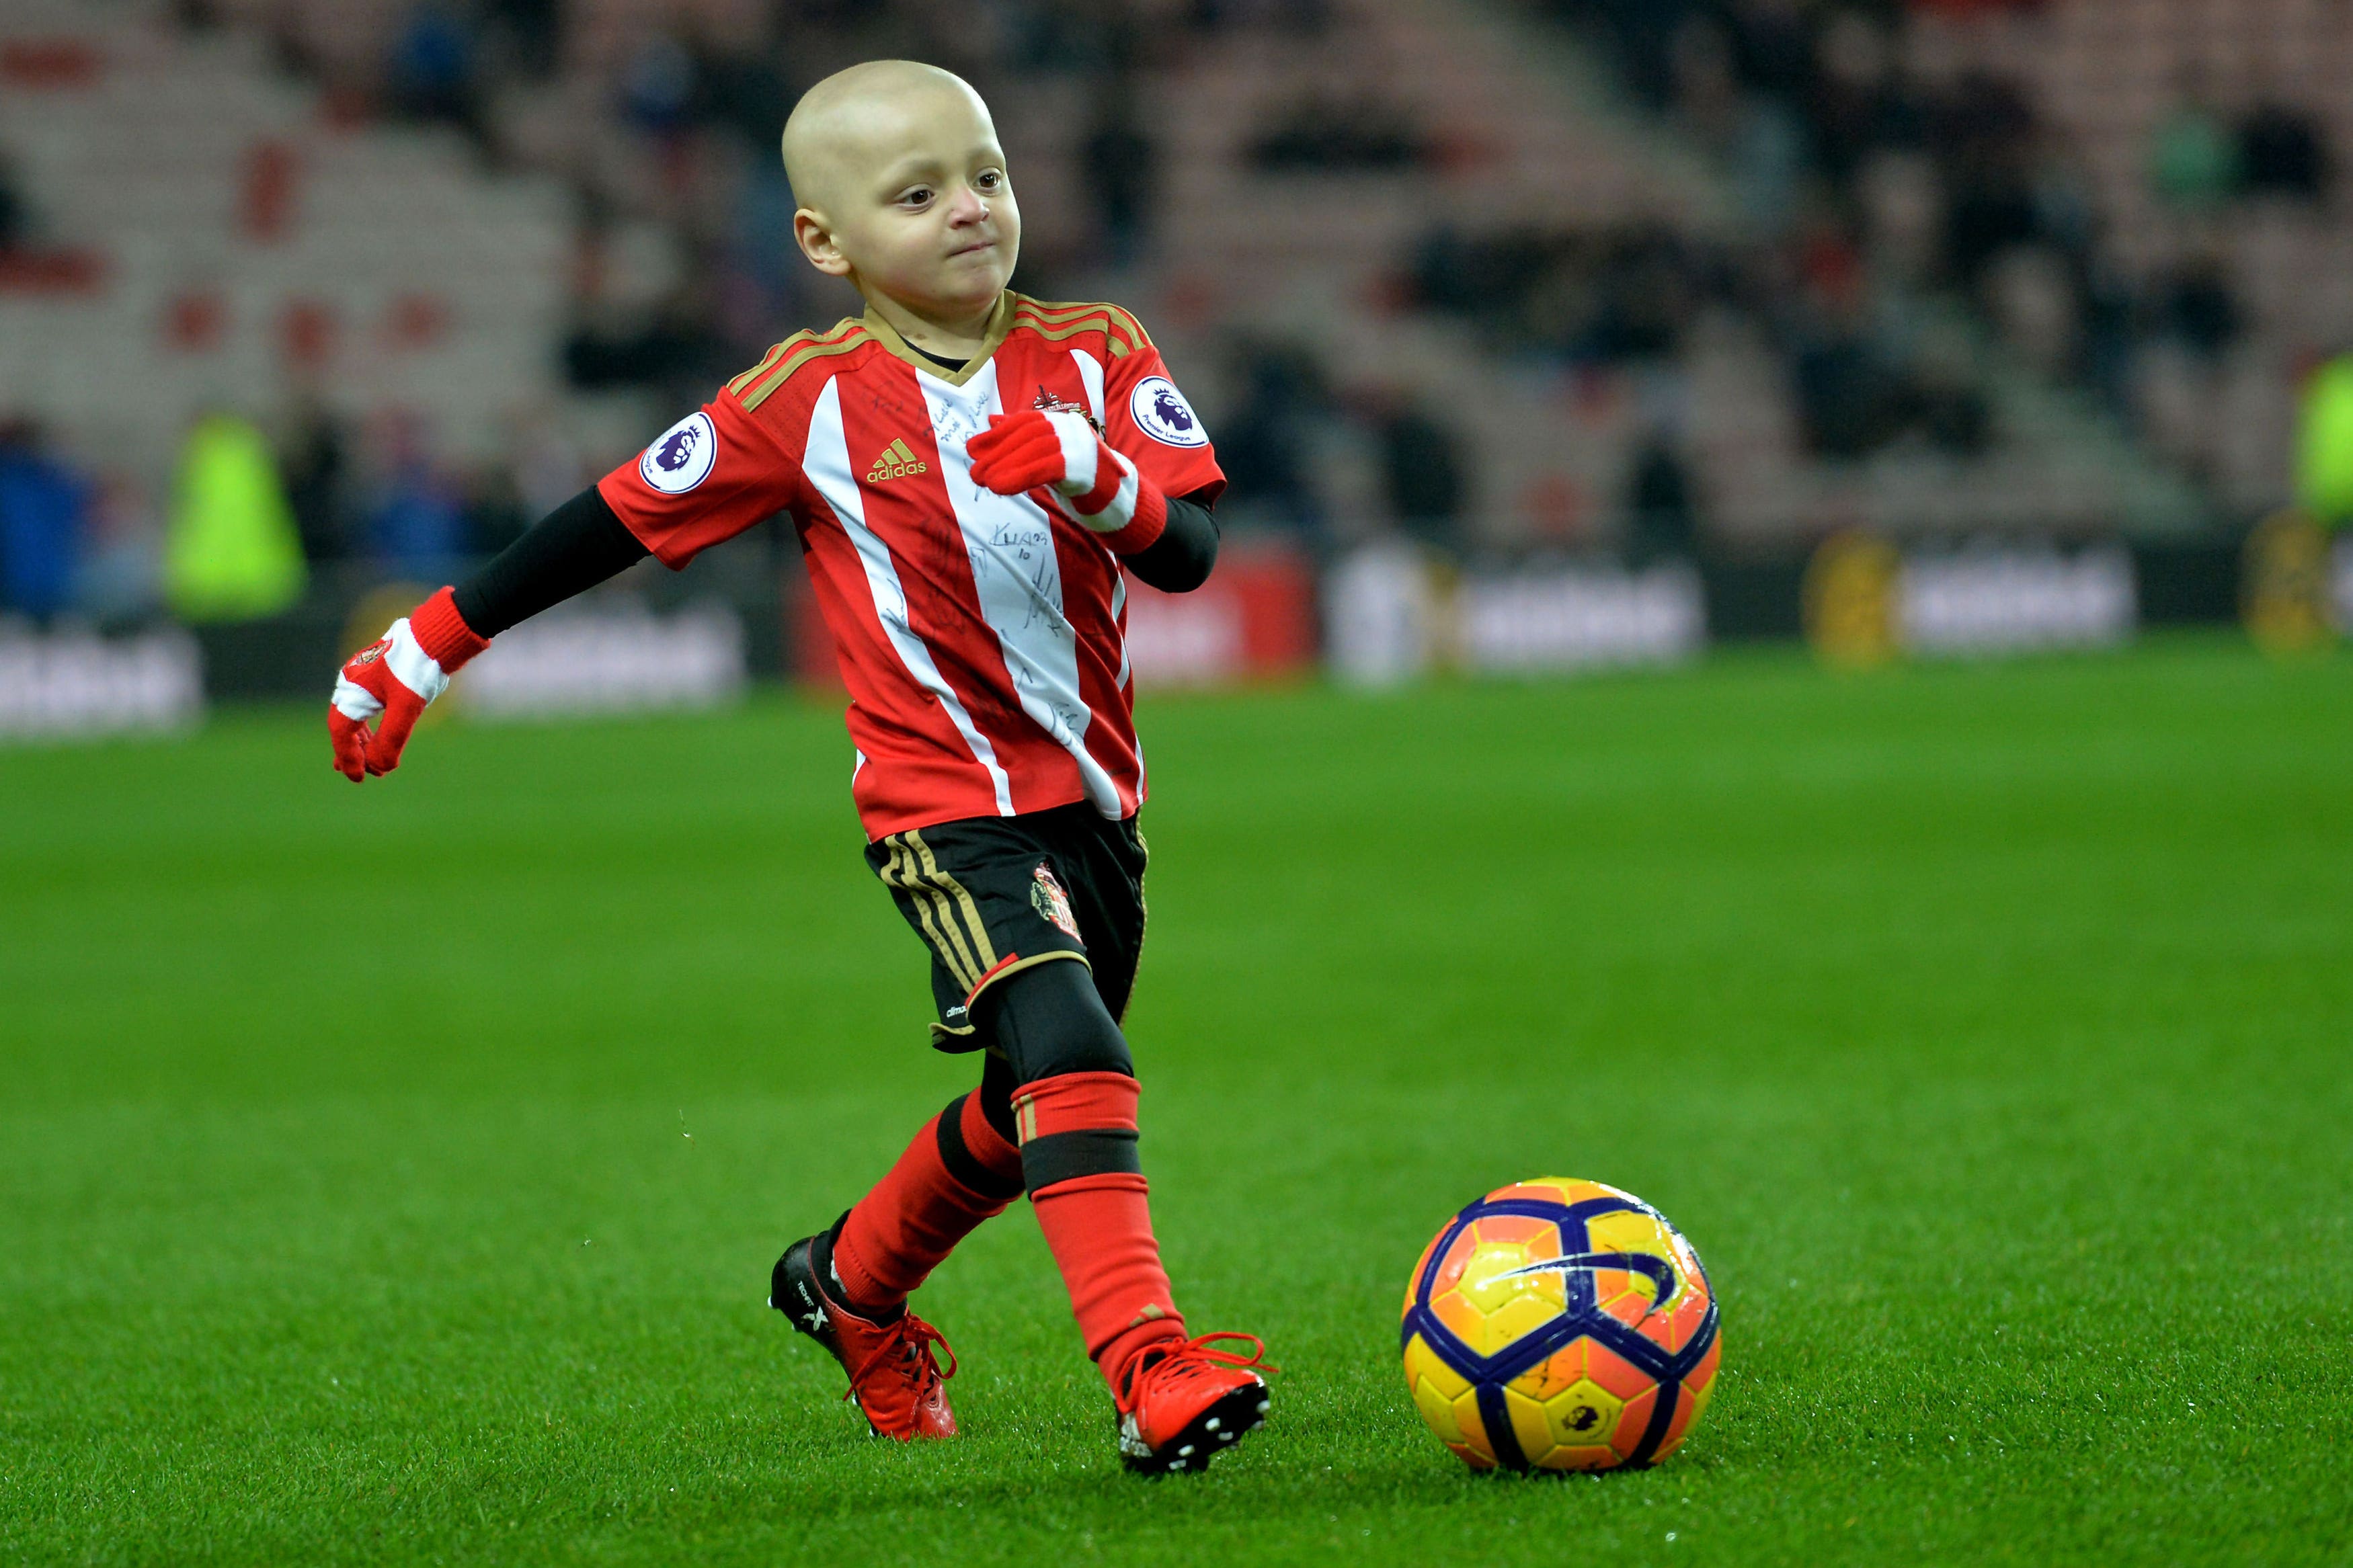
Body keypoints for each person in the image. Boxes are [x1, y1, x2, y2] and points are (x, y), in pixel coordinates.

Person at [322, 60, 1270, 1475]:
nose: (969, 212)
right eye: (917, 193)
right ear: (825, 243)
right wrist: (426, 645)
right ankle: (1151, 1370)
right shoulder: (801, 402)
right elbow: (613, 521)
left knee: (1036, 1112)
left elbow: (1185, 555)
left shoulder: (1097, 352)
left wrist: (1094, 471)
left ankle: (844, 1287)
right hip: (942, 812)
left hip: (1095, 805)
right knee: (1072, 1049)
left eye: (987, 176)